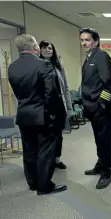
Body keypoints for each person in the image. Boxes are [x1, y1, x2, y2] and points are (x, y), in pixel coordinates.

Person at [8, 34, 67, 195]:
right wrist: (54, 114)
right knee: (45, 151)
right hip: (43, 115)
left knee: (29, 150)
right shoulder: (44, 65)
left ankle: (33, 183)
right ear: (34, 47)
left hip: (24, 115)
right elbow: (51, 93)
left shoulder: (12, 67)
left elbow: (18, 93)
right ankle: (44, 185)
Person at [79, 27, 111, 189]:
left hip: (102, 109)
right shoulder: (89, 58)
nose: (84, 43)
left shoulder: (101, 56)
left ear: (96, 41)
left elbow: (109, 85)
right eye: (81, 40)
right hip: (91, 108)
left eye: (87, 40)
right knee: (99, 140)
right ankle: (100, 164)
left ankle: (106, 173)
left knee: (104, 141)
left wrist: (101, 105)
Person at [39, 40, 72, 170]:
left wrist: (69, 107)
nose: (48, 50)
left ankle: (57, 159)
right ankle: (47, 161)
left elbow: (66, 88)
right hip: (45, 107)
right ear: (40, 50)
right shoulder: (39, 66)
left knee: (58, 135)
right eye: (45, 48)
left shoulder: (58, 66)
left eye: (50, 48)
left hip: (59, 106)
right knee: (47, 136)